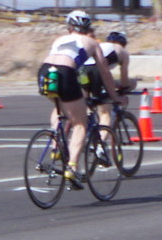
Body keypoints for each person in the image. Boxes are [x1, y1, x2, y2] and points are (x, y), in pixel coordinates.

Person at [37, 10, 126, 190]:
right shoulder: (92, 42)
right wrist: (114, 95)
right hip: (66, 72)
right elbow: (105, 73)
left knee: (60, 109)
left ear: (69, 27)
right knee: (80, 124)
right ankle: (72, 168)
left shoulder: (59, 39)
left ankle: (56, 144)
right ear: (87, 28)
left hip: (45, 71)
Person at [80, 31, 136, 129]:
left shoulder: (100, 45)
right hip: (97, 72)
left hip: (82, 71)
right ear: (123, 43)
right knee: (105, 113)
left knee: (85, 107)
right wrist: (130, 85)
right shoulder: (122, 51)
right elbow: (124, 81)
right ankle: (102, 142)